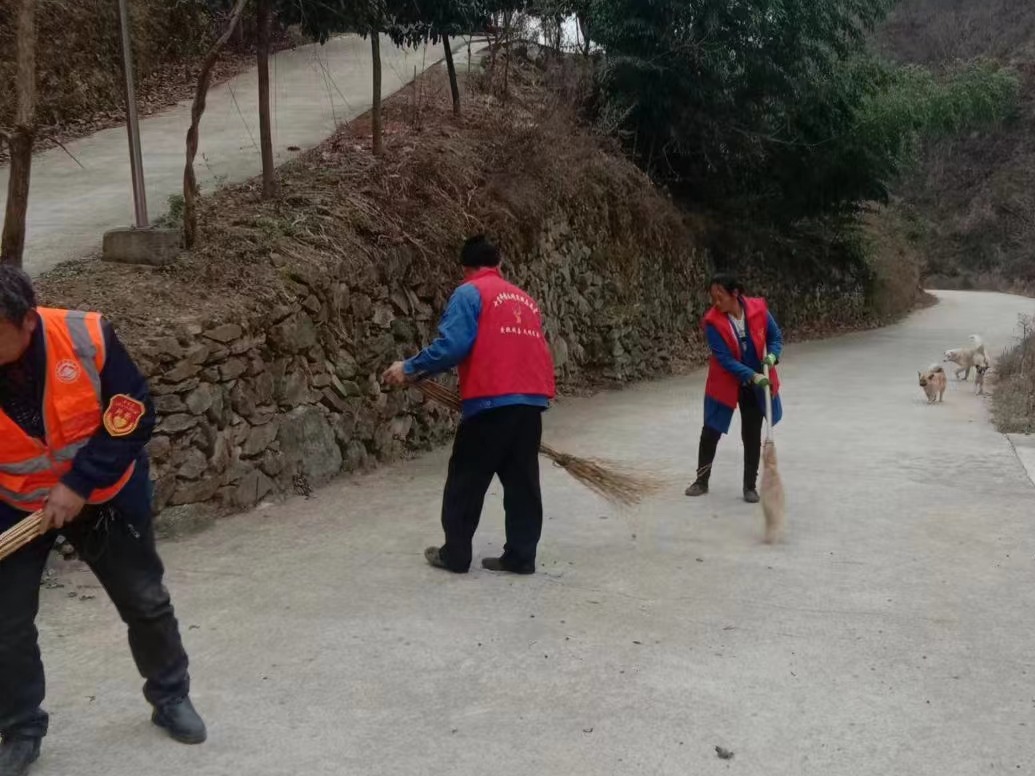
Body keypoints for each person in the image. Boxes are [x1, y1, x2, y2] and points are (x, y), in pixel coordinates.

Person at [0, 266, 205, 776]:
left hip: (106, 492)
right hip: (14, 502)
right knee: (5, 624)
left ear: (27, 321)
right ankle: (20, 728)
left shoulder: (85, 335)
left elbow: (133, 413)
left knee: (145, 599)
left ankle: (170, 696)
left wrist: (80, 483)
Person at [383, 235, 556, 575]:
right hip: (530, 403)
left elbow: (453, 346)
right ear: (499, 264)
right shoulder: (525, 299)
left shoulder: (469, 293)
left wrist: (410, 368)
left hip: (490, 404)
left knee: (466, 480)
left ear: (465, 268)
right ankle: (521, 556)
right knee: (522, 483)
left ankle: (456, 554)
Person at [685, 273, 784, 503]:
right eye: (713, 297)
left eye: (720, 296)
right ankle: (701, 480)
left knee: (751, 433)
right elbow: (725, 360)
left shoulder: (759, 310)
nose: (716, 302)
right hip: (726, 381)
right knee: (711, 430)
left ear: (735, 294)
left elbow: (775, 337)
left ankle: (750, 486)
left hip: (755, 383)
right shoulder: (712, 322)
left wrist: (772, 356)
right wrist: (752, 375)